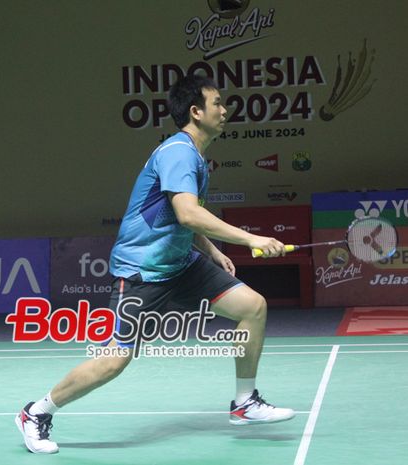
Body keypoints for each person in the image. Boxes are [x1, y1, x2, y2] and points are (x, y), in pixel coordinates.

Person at [15, 75, 295, 454]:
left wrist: (211, 249)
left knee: (252, 307)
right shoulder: (178, 152)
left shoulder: (192, 154)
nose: (224, 109)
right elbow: (187, 213)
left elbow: (178, 214)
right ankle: (36, 412)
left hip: (181, 264)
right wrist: (251, 238)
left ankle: (244, 403)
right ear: (196, 112)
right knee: (114, 361)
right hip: (142, 271)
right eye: (217, 103)